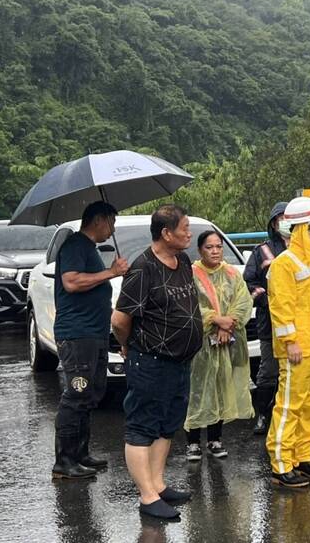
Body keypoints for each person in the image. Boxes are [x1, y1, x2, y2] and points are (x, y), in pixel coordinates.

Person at [111, 205, 203, 519]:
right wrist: (126, 347)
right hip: (149, 360)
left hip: (180, 361)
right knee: (142, 425)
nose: (190, 234)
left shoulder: (184, 261)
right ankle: (147, 496)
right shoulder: (142, 268)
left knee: (168, 424)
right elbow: (120, 319)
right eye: (184, 228)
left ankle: (158, 484)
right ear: (166, 233)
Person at [52, 201, 129, 479]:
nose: (113, 230)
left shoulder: (89, 248)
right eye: (112, 223)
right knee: (77, 393)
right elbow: (71, 282)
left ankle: (80, 453)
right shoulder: (75, 245)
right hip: (77, 334)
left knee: (91, 394)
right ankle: (64, 461)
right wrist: (111, 272)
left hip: (93, 332)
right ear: (99, 220)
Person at [266, 196, 310, 489]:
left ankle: (303, 457)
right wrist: (290, 341)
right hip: (298, 350)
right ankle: (281, 464)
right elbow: (281, 307)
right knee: (290, 406)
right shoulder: (284, 264)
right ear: (305, 229)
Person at [184, 230, 254, 461]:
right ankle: (193, 442)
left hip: (227, 340)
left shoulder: (233, 273)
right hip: (200, 344)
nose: (215, 251)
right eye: (209, 247)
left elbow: (243, 302)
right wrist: (214, 319)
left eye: (218, 247)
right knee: (198, 390)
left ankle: (215, 439)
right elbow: (190, 306)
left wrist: (227, 325)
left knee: (222, 387)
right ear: (200, 250)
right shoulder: (191, 274)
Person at [243, 201, 290, 436]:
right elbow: (249, 281)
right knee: (269, 370)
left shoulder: (307, 248)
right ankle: (263, 414)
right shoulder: (262, 251)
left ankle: (290, 416)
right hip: (269, 321)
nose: (285, 221)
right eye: (280, 217)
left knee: (294, 371)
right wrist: (267, 299)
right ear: (273, 223)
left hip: (299, 323)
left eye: (289, 217)